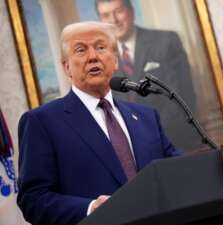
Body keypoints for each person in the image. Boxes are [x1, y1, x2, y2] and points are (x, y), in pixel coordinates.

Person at [17, 21, 182, 225]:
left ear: (115, 60)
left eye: (101, 47)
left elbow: (178, 171)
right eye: (81, 50)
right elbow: (33, 199)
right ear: (66, 66)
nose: (93, 56)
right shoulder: (42, 122)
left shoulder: (147, 117)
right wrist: (89, 208)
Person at [95, 0, 199, 151]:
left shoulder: (166, 41)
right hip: (134, 154)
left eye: (118, 11)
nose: (114, 20)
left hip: (175, 143)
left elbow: (183, 97)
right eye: (106, 15)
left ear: (131, 11)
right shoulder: (100, 60)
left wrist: (150, 137)